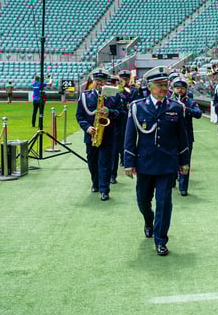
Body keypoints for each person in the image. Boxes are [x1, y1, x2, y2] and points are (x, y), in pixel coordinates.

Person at [124, 67, 190, 257]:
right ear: (150, 87)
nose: (164, 88)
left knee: (164, 202)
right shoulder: (137, 107)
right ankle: (148, 220)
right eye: (160, 85)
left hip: (167, 164)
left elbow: (182, 137)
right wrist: (129, 162)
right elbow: (130, 137)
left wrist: (184, 161)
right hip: (144, 163)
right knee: (143, 201)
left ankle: (161, 239)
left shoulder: (176, 108)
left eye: (165, 85)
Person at [76, 68, 121, 201]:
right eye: (97, 80)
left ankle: (104, 189)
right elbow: (79, 116)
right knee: (92, 162)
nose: (99, 83)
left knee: (105, 163)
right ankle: (95, 182)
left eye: (102, 80)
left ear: (106, 81)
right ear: (93, 81)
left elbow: (122, 113)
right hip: (91, 135)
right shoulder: (85, 96)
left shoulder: (114, 95)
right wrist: (87, 127)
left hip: (107, 135)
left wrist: (110, 112)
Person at [172, 75, 202, 196]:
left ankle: (183, 187)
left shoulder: (190, 101)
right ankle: (172, 179)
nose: (179, 90)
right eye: (177, 88)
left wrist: (187, 109)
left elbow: (198, 113)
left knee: (185, 161)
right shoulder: (169, 100)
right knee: (171, 159)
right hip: (172, 136)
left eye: (182, 88)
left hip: (186, 136)